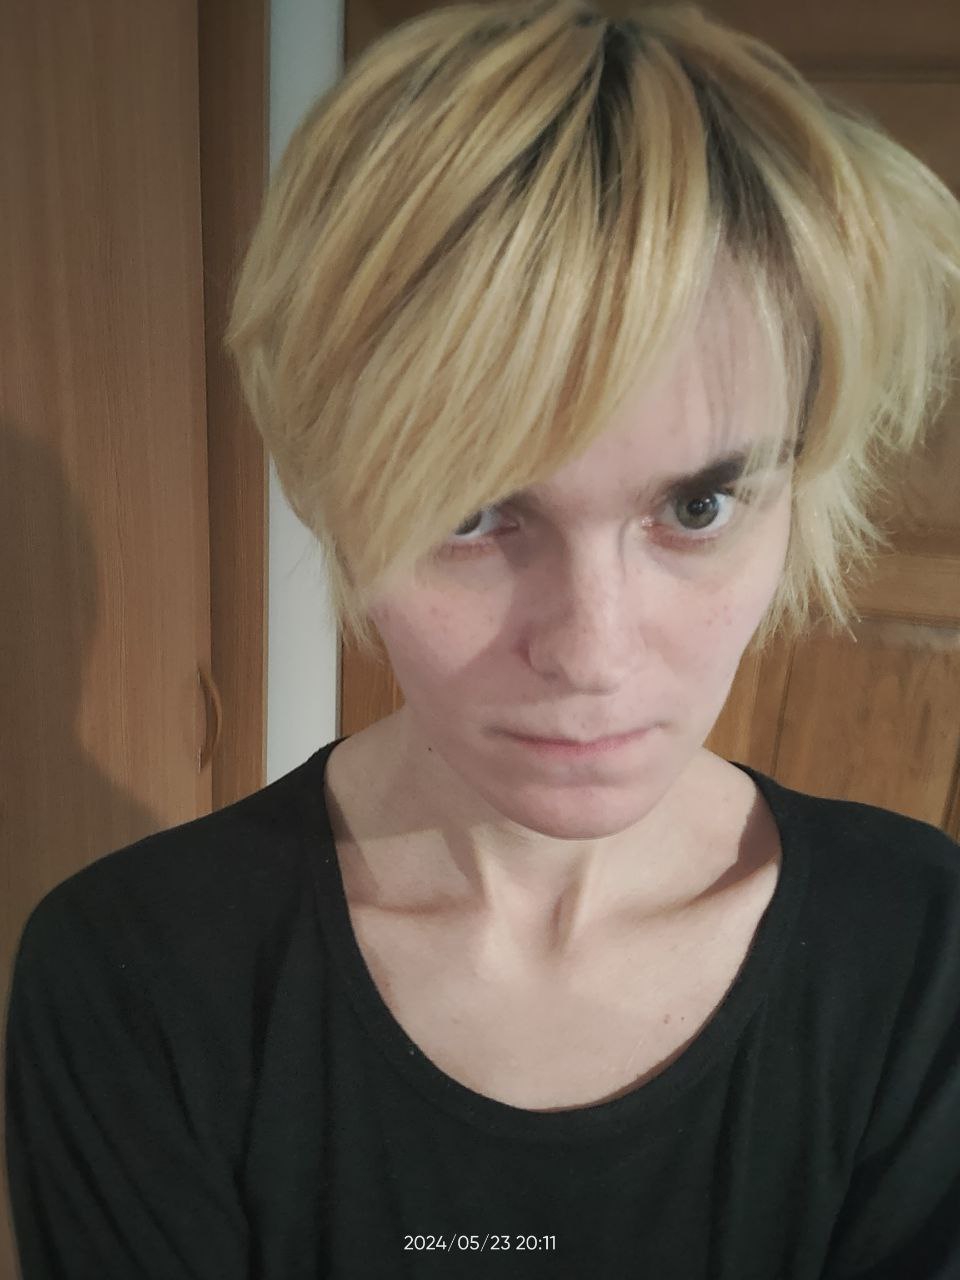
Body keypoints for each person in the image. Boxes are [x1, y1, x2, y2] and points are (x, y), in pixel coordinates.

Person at [6, 1, 960, 1276]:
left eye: (697, 507)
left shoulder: (926, 956)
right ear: (336, 495)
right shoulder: (135, 976)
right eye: (473, 512)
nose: (593, 653)